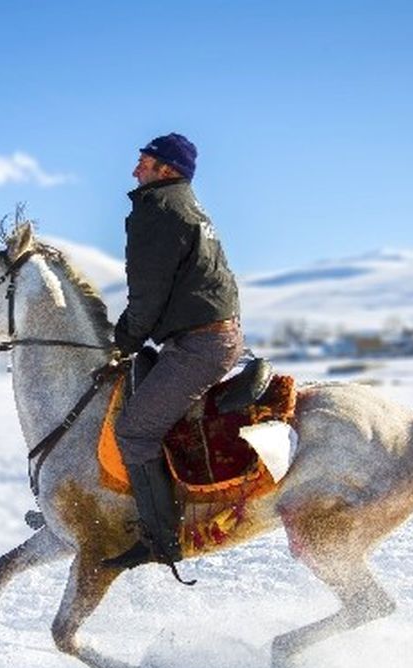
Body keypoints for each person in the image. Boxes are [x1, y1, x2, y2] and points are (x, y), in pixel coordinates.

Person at [102, 132, 243, 571]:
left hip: (198, 344)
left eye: (144, 163)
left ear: (167, 170)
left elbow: (147, 294)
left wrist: (121, 342)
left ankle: (160, 539)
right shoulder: (187, 205)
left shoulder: (157, 209)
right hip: (209, 335)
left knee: (134, 431)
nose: (135, 171)